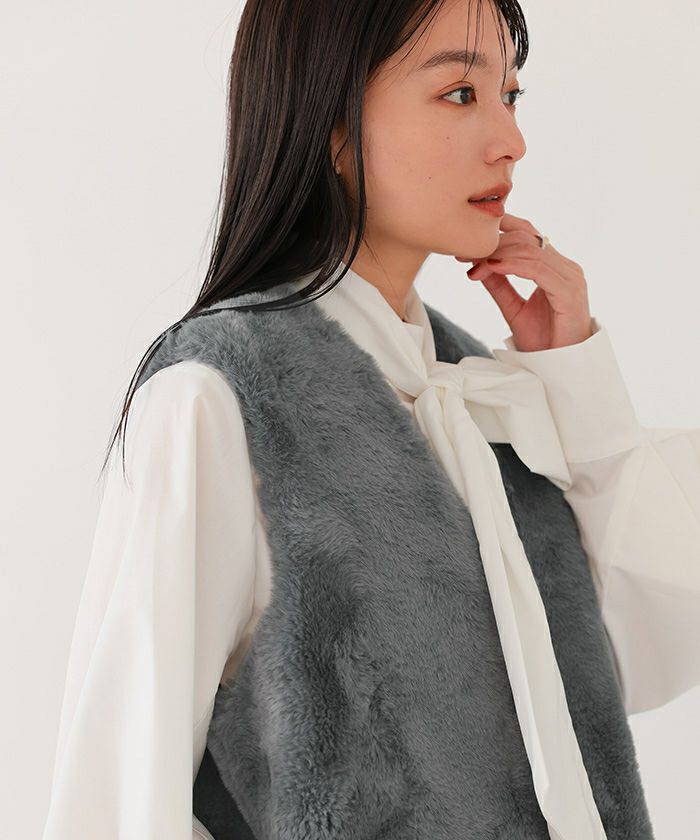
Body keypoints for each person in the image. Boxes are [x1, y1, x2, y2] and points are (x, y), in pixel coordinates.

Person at [41, 0, 700, 838]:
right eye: (460, 93)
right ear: (332, 121)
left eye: (511, 95)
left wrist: (578, 385)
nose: (511, 140)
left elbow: (649, 652)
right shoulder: (217, 397)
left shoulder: (484, 397)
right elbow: (117, 799)